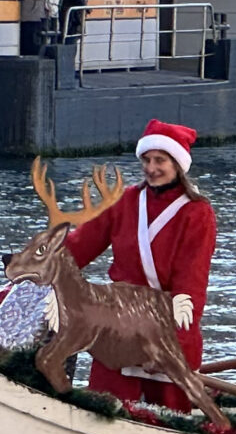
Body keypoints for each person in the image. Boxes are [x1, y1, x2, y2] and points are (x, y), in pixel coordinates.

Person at [62, 120, 218, 412]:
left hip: (167, 328)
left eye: (160, 160)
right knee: (101, 409)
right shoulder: (126, 201)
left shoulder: (197, 213)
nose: (151, 168)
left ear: (178, 165)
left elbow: (191, 284)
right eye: (146, 160)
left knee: (171, 421)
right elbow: (80, 244)